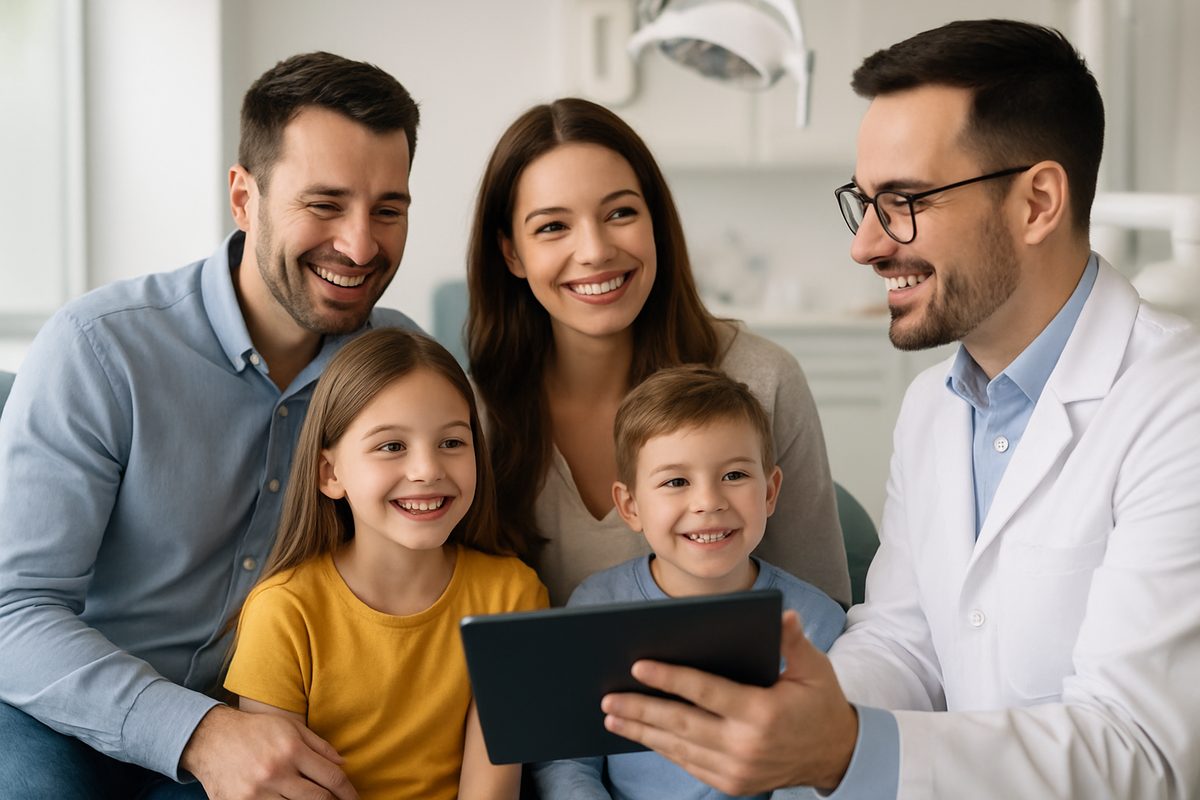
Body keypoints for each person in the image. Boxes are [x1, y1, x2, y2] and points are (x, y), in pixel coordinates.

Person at [598, 19, 1200, 798]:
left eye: (906, 200)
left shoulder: (1176, 407)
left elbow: (1143, 751)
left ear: (1038, 202)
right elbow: (904, 643)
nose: (867, 245)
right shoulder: (933, 408)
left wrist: (845, 750)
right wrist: (787, 722)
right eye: (866, 202)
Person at [0, 52, 423, 798]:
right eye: (323, 204)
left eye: (387, 209)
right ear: (243, 197)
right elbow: (12, 611)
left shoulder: (398, 369)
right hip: (57, 713)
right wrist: (196, 732)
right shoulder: (101, 347)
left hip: (262, 728)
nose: (360, 246)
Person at [466, 97, 850, 608]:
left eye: (620, 212)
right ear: (511, 252)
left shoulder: (763, 378)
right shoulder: (470, 414)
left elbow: (823, 607)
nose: (596, 251)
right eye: (553, 226)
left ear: (656, 224)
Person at [225, 328, 547, 799]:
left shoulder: (513, 595)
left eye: (452, 443)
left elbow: (491, 790)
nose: (427, 470)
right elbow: (279, 787)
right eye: (392, 446)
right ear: (330, 473)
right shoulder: (283, 612)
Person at [531, 365, 844, 799]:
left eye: (734, 476)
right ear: (630, 505)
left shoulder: (814, 624)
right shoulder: (597, 607)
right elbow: (567, 757)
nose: (708, 502)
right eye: (676, 481)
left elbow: (818, 770)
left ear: (770, 492)